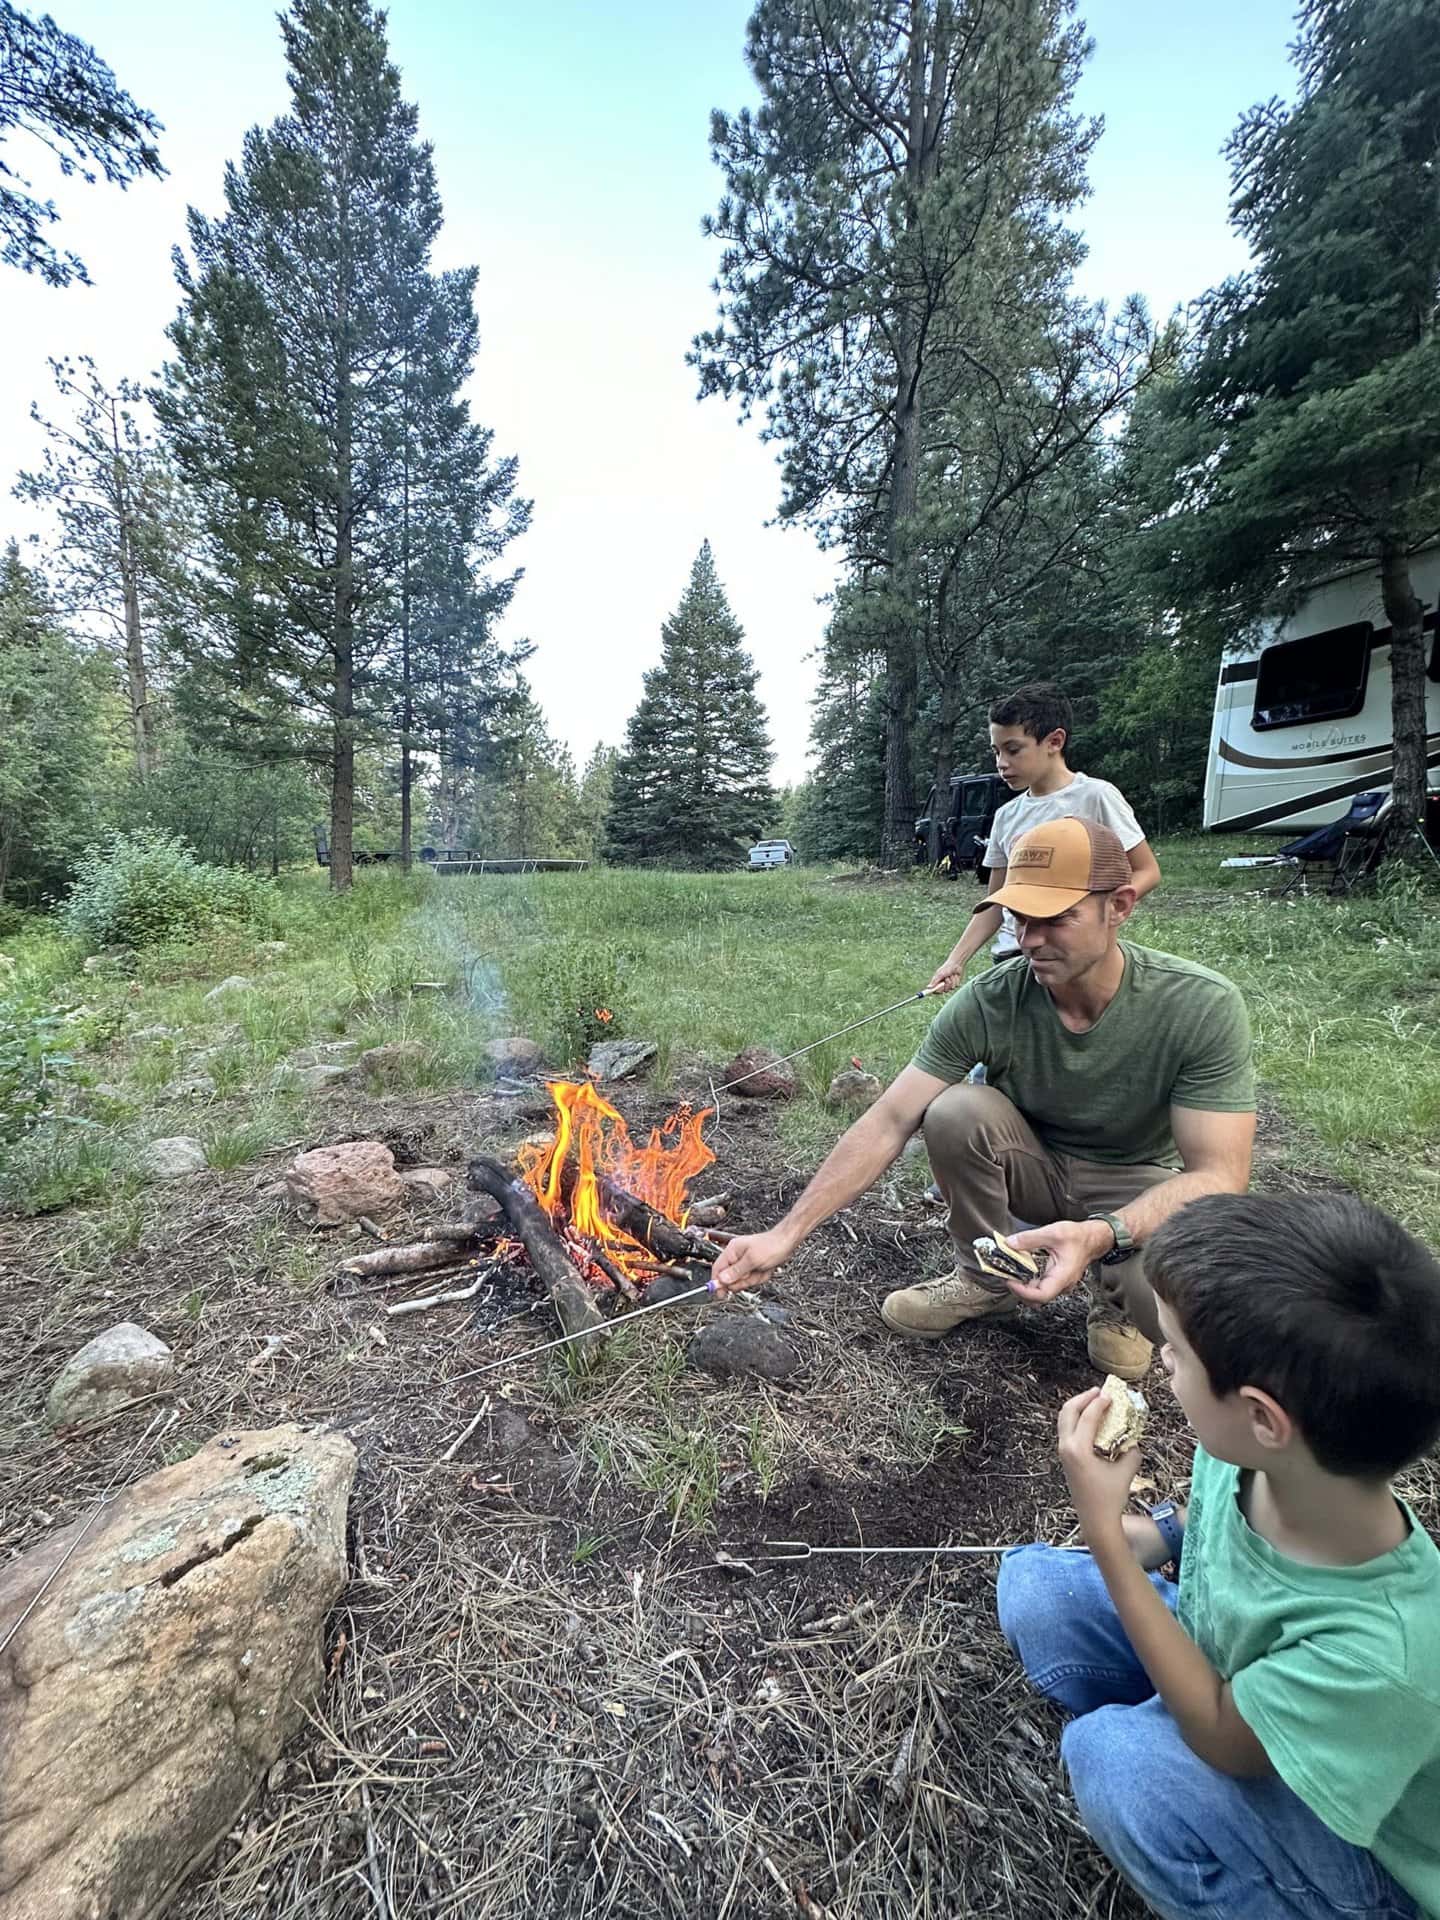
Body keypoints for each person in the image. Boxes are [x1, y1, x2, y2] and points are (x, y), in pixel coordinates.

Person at [998, 1191, 1440, 1920]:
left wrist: (1107, 1537)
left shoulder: (1384, 1653)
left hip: (1364, 1853)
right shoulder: (1251, 1457)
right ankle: (1166, 1742)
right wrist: (1157, 1537)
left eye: (1176, 1351)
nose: (1162, 1358)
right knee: (1037, 1587)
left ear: (1263, 1417)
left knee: (1115, 1760)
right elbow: (1207, 1522)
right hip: (1229, 1668)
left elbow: (1224, 1735)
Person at [712, 816, 1256, 1380]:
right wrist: (784, 1235)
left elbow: (1220, 1176)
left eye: (1057, 919)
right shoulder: (994, 999)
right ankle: (985, 1278)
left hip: (1134, 1185)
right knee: (952, 1110)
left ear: (1118, 906)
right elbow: (891, 1117)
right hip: (1036, 1168)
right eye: (1021, 918)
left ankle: (1116, 1300)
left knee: (1170, 1305)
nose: (1030, 940)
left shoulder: (1198, 1005)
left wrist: (1103, 1235)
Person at [927, 681, 1161, 994]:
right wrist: (955, 960)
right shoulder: (1007, 816)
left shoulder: (1096, 796)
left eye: (1013, 750)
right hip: (1013, 956)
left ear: (1054, 741)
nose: (1001, 763)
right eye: (996, 752)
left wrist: (1099, 916)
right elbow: (996, 902)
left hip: (1071, 956)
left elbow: (1147, 871)